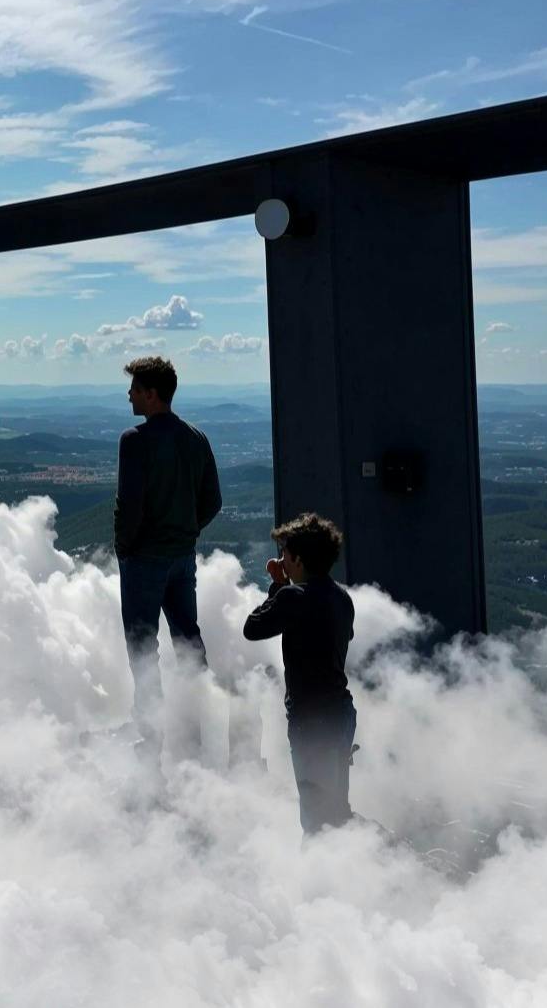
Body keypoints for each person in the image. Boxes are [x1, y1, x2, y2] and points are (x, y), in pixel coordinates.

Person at [113, 355, 222, 745]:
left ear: (152, 394)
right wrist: (186, 531)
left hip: (144, 559)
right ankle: (199, 728)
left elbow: (129, 506)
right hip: (182, 556)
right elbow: (213, 501)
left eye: (135, 390)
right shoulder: (197, 438)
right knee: (188, 641)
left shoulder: (135, 441)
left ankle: (151, 735)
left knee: (143, 647)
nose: (129, 396)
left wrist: (125, 548)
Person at [243, 512, 357, 834]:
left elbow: (252, 628)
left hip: (312, 719)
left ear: (298, 559)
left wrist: (277, 586)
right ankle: (349, 869)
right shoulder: (341, 597)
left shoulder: (293, 596)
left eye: (285, 555)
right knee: (336, 807)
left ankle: (319, 878)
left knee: (315, 815)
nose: (282, 560)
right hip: (341, 713)